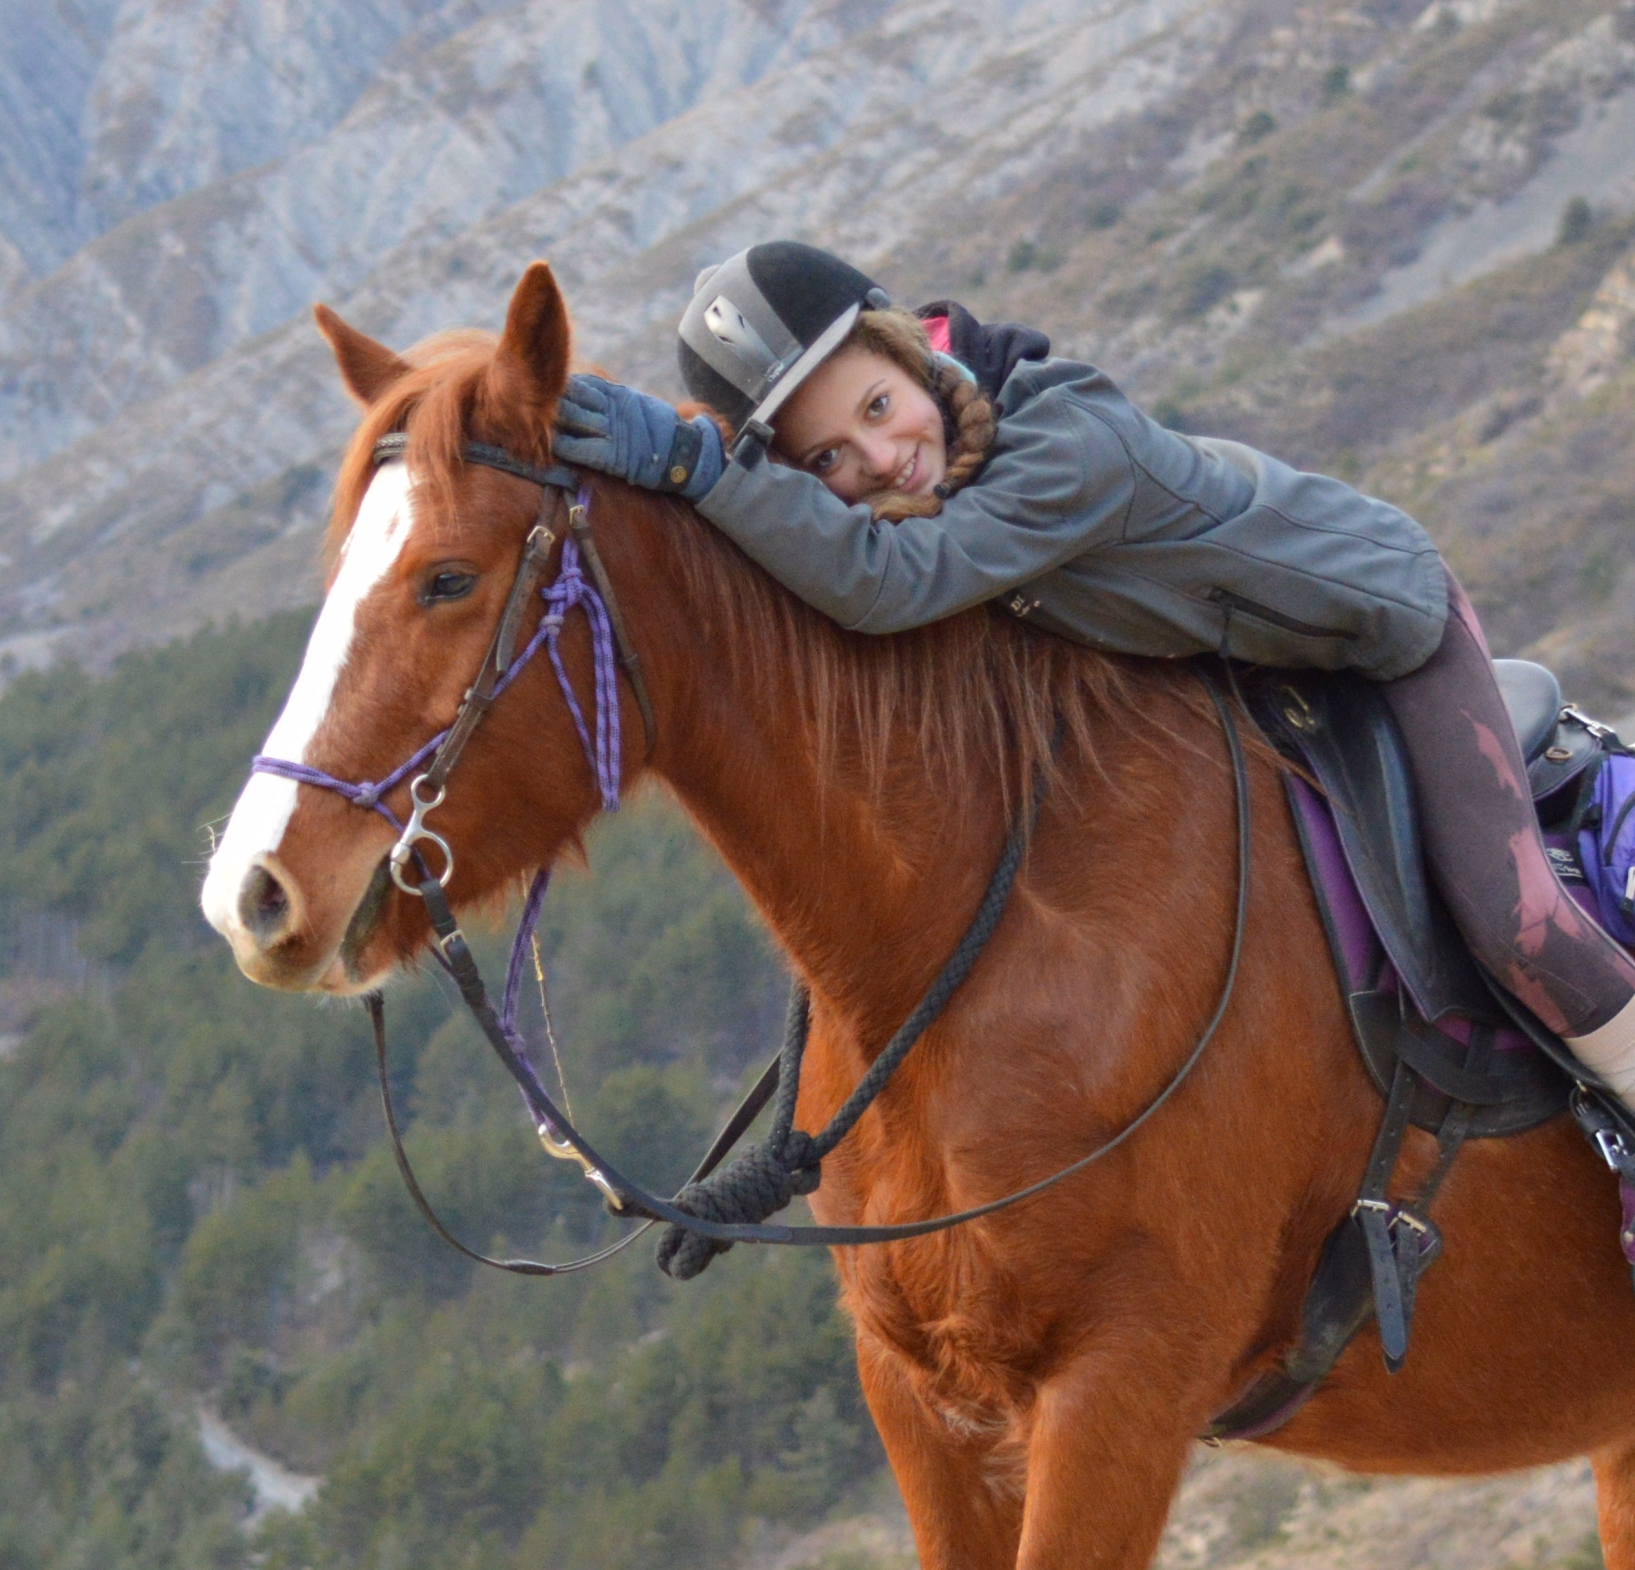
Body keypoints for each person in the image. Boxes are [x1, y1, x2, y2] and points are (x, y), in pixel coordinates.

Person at [554, 241, 1635, 1115]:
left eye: (876, 408)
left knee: (1514, 917)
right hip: (1255, 676)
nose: (878, 460)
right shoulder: (947, 486)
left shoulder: (1062, 444)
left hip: (1388, 629)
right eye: (828, 459)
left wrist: (699, 467)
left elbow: (887, 583)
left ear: (911, 352)